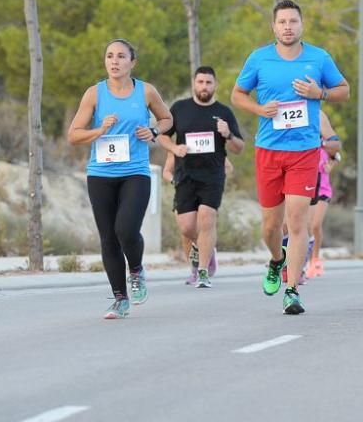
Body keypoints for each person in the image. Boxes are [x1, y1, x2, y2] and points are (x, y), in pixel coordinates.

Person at [231, 0, 349, 315]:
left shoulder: (318, 58)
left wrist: (319, 94)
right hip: (269, 150)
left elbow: (343, 90)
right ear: (274, 26)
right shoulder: (259, 59)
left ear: (301, 25)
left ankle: (292, 290)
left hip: (305, 151)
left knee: (297, 221)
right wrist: (258, 109)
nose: (288, 27)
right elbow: (236, 95)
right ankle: (275, 259)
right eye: (282, 22)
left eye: (293, 22)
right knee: (270, 228)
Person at [68, 38, 172, 318]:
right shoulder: (95, 94)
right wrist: (98, 131)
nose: (114, 61)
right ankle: (119, 298)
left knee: (125, 229)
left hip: (135, 173)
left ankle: (136, 270)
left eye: (121, 56)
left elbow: (167, 119)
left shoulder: (146, 91)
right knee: (108, 239)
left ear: (132, 62)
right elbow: (74, 134)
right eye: (110, 56)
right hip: (100, 174)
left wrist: (153, 132)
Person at [157, 66, 244, 289]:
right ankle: (207, 250)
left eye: (208, 82)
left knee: (207, 220)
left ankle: (202, 272)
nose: (204, 86)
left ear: (215, 85)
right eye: (200, 82)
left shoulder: (224, 112)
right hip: (185, 175)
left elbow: (239, 147)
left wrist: (228, 134)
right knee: (187, 228)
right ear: (194, 84)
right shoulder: (179, 109)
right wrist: (175, 149)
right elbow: (163, 137)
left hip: (213, 175)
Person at [163, 153, 232, 282]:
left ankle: (198, 270)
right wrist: (175, 180)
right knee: (186, 232)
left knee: (204, 227)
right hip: (183, 191)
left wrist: (215, 180)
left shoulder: (209, 143)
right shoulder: (176, 147)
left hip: (205, 192)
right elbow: (166, 171)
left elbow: (228, 167)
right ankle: (205, 251)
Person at [307, 112, 342, 278]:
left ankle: (315, 259)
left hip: (323, 189)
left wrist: (331, 165)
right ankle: (302, 258)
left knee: (315, 225)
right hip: (306, 186)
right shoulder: (306, 142)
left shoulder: (325, 144)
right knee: (305, 226)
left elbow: (337, 155)